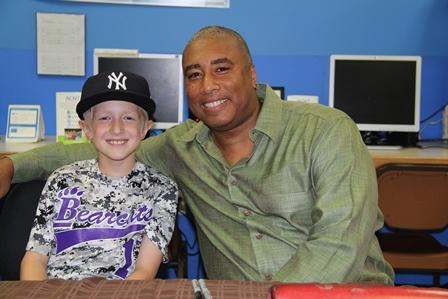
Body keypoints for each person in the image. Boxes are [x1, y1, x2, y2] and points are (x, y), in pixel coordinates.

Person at [0, 26, 394, 284]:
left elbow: (339, 244)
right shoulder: (180, 148)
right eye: (194, 74)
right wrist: (13, 164)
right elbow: (100, 147)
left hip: (344, 291)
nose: (208, 85)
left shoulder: (326, 130)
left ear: (252, 75)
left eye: (222, 69)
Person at [20, 71, 178, 280]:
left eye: (128, 118)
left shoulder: (162, 190)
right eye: (104, 118)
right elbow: (35, 259)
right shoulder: (61, 181)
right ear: (86, 129)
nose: (116, 128)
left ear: (145, 128)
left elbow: (144, 271)